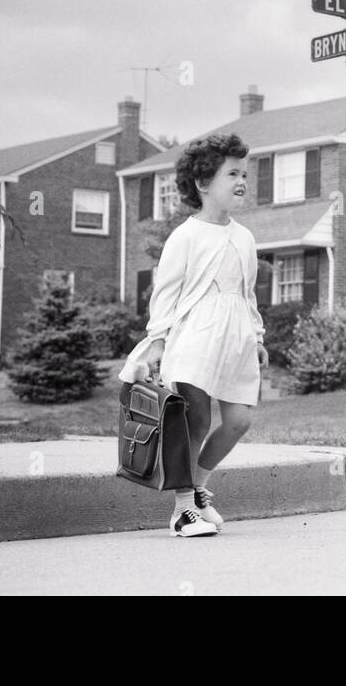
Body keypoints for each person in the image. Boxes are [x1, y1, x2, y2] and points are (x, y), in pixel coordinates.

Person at [119, 133, 269, 538]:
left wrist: (256, 336)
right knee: (196, 420)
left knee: (239, 420)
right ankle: (183, 510)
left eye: (244, 173)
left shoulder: (245, 236)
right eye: (232, 173)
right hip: (196, 336)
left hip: (235, 338)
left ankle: (198, 487)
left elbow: (247, 292)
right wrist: (158, 342)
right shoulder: (186, 235)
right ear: (203, 184)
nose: (242, 180)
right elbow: (165, 293)